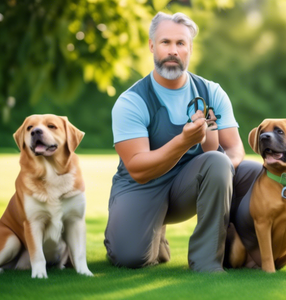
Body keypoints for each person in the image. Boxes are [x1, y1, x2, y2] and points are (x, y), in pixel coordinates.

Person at [104, 12, 262, 272]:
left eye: (181, 43)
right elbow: (138, 169)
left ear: (190, 49)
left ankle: (215, 259)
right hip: (143, 186)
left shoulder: (211, 92)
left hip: (187, 186)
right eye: (165, 42)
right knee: (131, 257)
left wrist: (222, 167)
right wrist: (184, 142)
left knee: (253, 172)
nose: (173, 50)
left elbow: (234, 148)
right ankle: (146, 234)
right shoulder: (132, 101)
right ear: (152, 46)